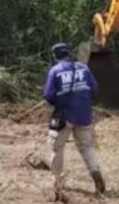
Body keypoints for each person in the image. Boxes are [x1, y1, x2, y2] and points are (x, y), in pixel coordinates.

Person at [44, 43, 106, 195]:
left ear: (56, 56)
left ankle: (57, 181)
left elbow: (48, 95)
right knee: (86, 147)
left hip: (65, 116)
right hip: (84, 115)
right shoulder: (83, 68)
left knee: (57, 147)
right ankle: (95, 171)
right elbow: (95, 89)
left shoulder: (55, 71)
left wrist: (58, 102)